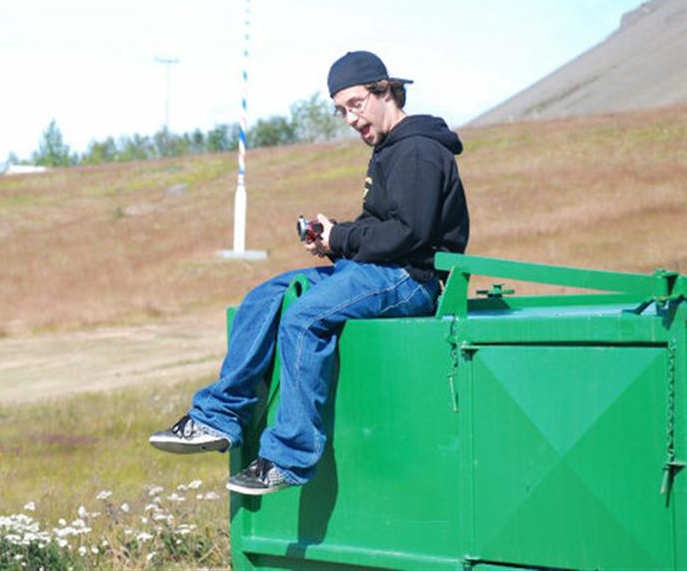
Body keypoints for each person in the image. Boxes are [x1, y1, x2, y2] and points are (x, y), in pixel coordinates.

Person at [149, 50, 470, 495]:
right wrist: (333, 237)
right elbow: (380, 226)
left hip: (411, 279)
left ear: (386, 91)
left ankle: (289, 458)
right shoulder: (390, 150)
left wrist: (342, 239)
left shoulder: (416, 151)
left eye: (356, 104)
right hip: (379, 270)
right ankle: (218, 416)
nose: (350, 118)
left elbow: (410, 234)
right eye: (341, 110)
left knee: (304, 315)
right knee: (266, 295)